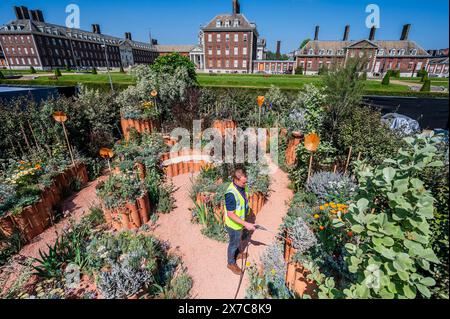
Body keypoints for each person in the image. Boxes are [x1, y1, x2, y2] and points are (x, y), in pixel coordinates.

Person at [224, 168, 256, 275]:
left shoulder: (242, 186)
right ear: (236, 180)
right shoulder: (231, 194)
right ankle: (231, 263)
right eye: (243, 182)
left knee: (237, 241)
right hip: (233, 225)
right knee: (233, 243)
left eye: (245, 181)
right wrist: (246, 224)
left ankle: (237, 254)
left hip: (239, 223)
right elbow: (230, 214)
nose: (245, 184)